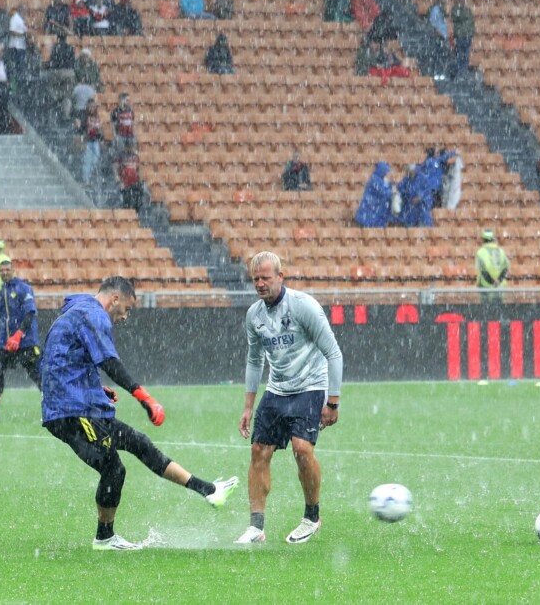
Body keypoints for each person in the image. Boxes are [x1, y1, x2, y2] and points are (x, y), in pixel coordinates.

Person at [41, 276, 238, 550]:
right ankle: (105, 538)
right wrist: (143, 396)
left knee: (138, 443)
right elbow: (109, 361)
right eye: (128, 309)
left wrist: (94, 389)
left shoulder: (77, 310)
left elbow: (57, 360)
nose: (126, 317)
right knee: (114, 469)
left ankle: (209, 491)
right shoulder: (93, 314)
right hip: (72, 411)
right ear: (115, 299)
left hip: (77, 405)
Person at [235, 251, 342, 545]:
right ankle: (256, 527)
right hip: (277, 389)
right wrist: (248, 406)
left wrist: (332, 401)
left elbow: (333, 352)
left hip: (310, 385)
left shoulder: (303, 306)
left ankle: (311, 517)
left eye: (266, 278)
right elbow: (255, 361)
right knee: (258, 450)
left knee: (302, 449)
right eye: (255, 279)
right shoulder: (254, 315)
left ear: (280, 277)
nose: (260, 284)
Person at [0, 259, 42, 422]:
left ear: (13, 270)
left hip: (26, 342)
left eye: (7, 270)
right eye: (1, 270)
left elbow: (30, 314)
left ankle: (53, 410)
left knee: (38, 375)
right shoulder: (1, 292)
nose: (4, 273)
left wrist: (19, 335)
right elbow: (3, 320)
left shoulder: (23, 288)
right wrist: (2, 342)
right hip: (8, 344)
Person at [355, 161, 394, 228]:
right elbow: (383, 192)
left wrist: (391, 186)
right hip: (370, 211)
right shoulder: (374, 180)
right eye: (385, 172)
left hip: (376, 211)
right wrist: (392, 191)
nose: (386, 174)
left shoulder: (382, 180)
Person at [475, 229, 509, 303]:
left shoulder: (480, 252)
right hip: (500, 288)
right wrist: (498, 281)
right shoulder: (501, 251)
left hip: (486, 288)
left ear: (483, 239)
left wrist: (492, 281)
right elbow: (505, 268)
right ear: (493, 239)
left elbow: (483, 271)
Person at [450, 0, 475, 78]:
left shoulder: (467, 10)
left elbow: (471, 21)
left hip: (467, 36)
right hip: (460, 36)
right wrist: (458, 8)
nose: (463, 1)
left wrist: (471, 33)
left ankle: (463, 73)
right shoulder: (455, 9)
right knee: (459, 55)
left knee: (465, 55)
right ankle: (458, 73)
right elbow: (457, 17)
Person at [117, 140, 143, 211]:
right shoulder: (121, 156)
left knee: (137, 201)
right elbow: (116, 168)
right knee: (126, 202)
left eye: (131, 147)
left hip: (134, 182)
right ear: (125, 147)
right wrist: (120, 181)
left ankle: (136, 213)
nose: (130, 148)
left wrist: (140, 180)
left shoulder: (135, 156)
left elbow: (139, 169)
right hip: (125, 182)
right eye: (129, 147)